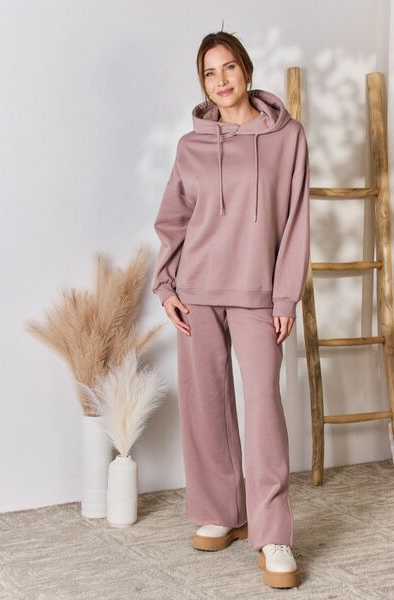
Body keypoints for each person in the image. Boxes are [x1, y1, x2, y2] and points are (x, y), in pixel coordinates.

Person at [151, 30, 310, 590]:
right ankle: (222, 510)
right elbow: (173, 220)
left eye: (228, 68)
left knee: (263, 406)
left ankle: (273, 533)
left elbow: (296, 220)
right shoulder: (190, 145)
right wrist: (165, 285)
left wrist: (285, 295)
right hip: (195, 289)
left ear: (246, 69)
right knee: (206, 403)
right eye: (209, 73)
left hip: (257, 292)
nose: (220, 81)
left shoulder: (287, 137)